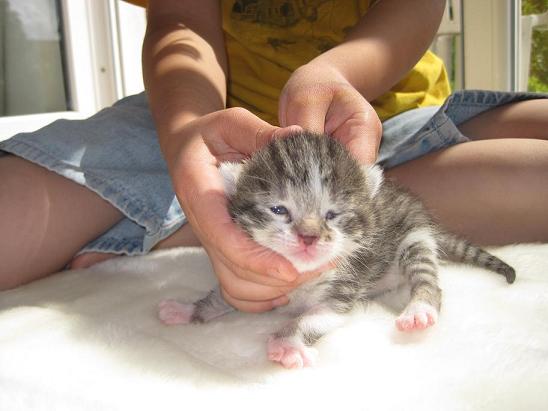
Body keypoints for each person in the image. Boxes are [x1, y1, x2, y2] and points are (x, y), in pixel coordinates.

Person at [1, 0, 547, 313]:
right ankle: (197, 210)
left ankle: (194, 223)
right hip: (190, 120)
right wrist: (188, 139)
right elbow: (180, 21)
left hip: (386, 122)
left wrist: (337, 75)